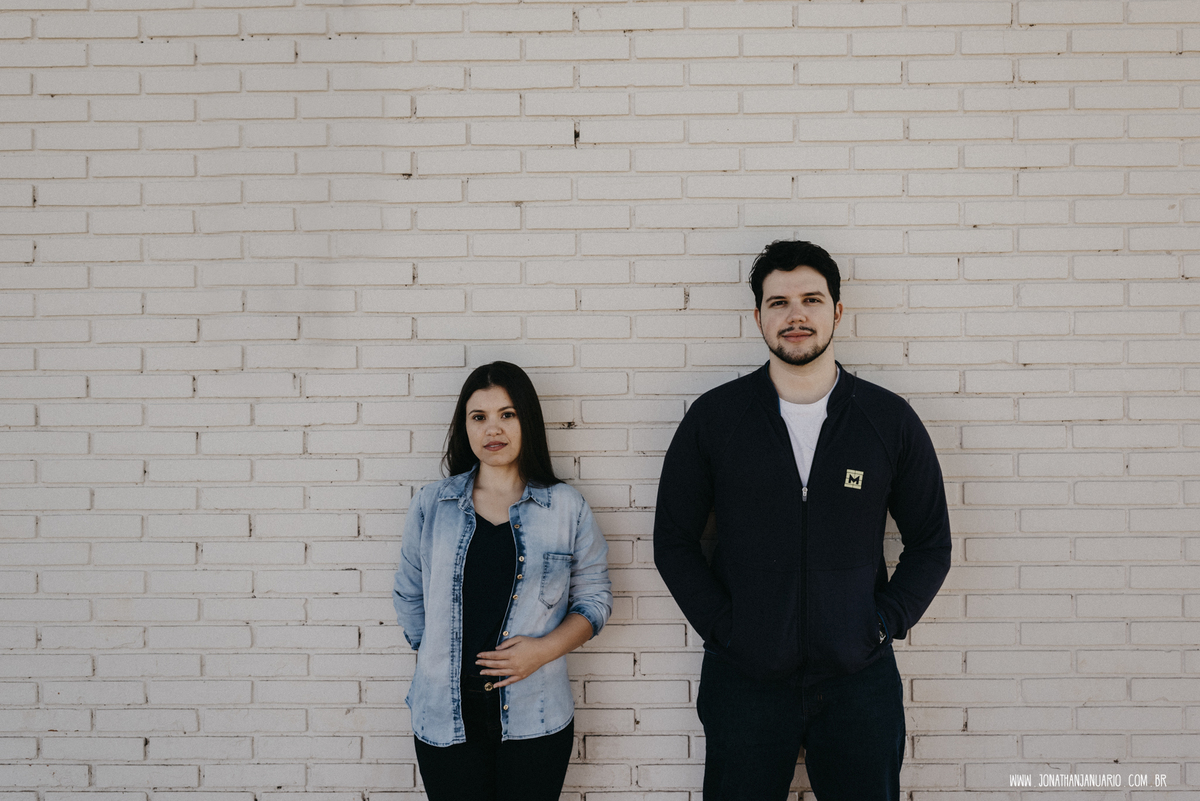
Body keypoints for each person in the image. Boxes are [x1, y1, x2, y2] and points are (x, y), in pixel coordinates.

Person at [653, 240, 952, 801]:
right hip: (744, 678)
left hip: (858, 678)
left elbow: (931, 543)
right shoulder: (716, 419)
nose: (796, 315)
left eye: (812, 299)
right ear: (758, 316)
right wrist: (725, 628)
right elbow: (673, 541)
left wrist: (883, 623)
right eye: (778, 302)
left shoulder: (887, 420)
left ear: (837, 311)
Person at [393, 361, 612, 801]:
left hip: (537, 715)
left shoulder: (565, 507)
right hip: (444, 717)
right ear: (465, 427)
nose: (493, 428)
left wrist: (542, 651)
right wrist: (440, 656)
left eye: (507, 414)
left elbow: (595, 600)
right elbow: (409, 594)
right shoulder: (432, 504)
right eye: (479, 417)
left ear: (526, 420)